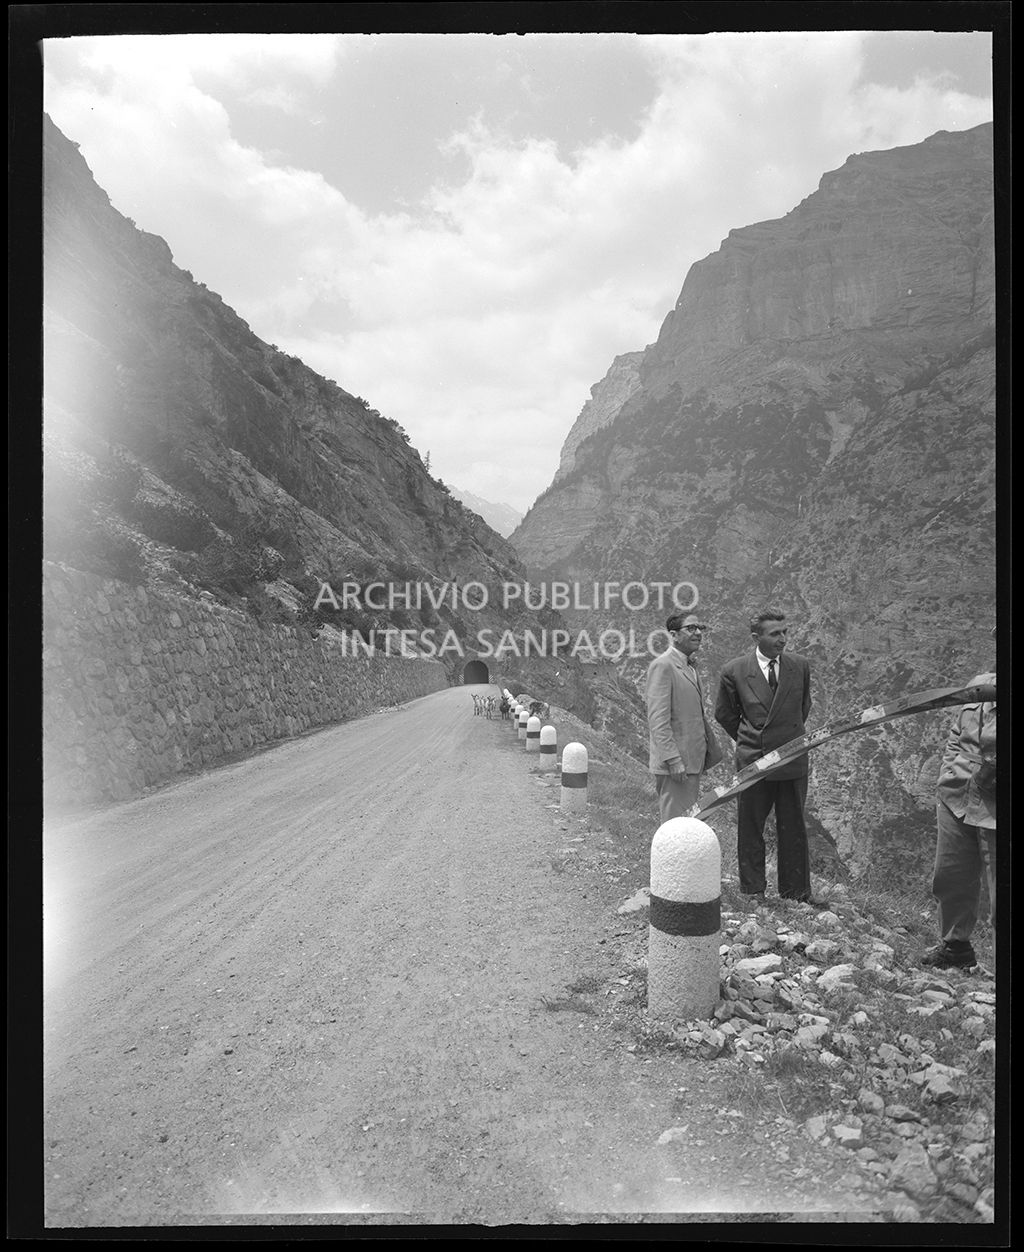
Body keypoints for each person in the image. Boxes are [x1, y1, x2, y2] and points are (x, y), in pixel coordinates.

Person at [714, 608, 824, 905]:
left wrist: (787, 739)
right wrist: (752, 738)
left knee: (793, 826)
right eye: (775, 634)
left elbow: (803, 707)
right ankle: (753, 890)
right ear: (756, 637)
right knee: (751, 826)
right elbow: (724, 714)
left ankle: (796, 893)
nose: (783, 639)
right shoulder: (735, 671)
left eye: (785, 632)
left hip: (792, 757)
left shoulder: (799, 666)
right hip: (754, 761)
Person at [921, 663, 997, 970]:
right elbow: (957, 733)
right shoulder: (980, 685)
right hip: (958, 796)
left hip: (995, 806)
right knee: (951, 877)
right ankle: (955, 947)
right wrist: (949, 770)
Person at [645, 612, 723, 824]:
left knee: (686, 824)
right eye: (690, 628)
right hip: (677, 765)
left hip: (691, 762)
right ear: (674, 635)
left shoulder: (689, 666)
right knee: (675, 825)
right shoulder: (663, 666)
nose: (698, 633)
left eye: (700, 628)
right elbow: (658, 720)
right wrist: (673, 760)